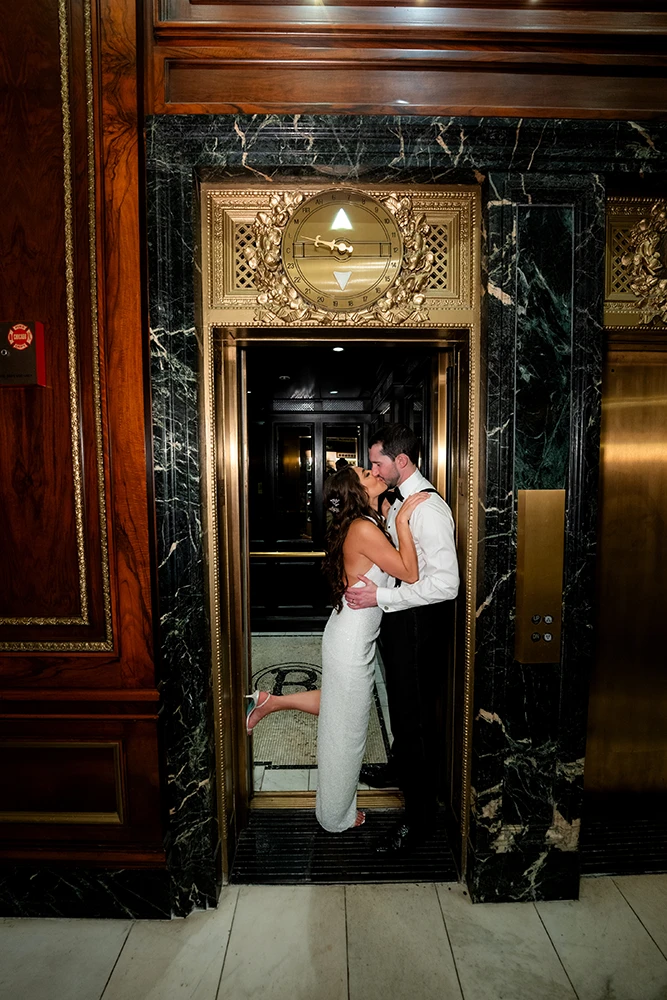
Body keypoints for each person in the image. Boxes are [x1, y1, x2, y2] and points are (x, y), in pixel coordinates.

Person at [245, 465, 427, 833]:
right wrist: (404, 519)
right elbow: (410, 573)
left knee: (339, 711)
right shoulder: (362, 527)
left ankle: (269, 701)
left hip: (350, 636)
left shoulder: (366, 521)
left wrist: (393, 514)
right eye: (365, 473)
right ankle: (335, 817)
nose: (374, 471)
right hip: (350, 641)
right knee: (347, 731)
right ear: (355, 491)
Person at [344, 424, 459, 853]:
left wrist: (382, 596)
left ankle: (421, 821)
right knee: (400, 710)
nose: (373, 468)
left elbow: (446, 585)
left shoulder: (427, 509)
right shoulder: (400, 502)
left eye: (377, 462)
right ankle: (400, 768)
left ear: (401, 461)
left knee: (414, 722)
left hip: (418, 625)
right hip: (401, 619)